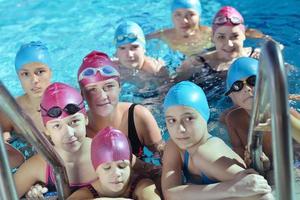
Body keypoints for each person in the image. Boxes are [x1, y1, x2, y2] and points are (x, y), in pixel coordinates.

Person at [162, 81, 273, 200]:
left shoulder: (206, 153)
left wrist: (233, 189)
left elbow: (258, 190)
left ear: (204, 116)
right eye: (172, 120)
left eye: (189, 118)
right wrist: (230, 188)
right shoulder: (174, 145)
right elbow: (169, 192)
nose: (180, 129)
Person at [77, 50, 164, 189]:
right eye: (92, 89)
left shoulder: (138, 116)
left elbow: (163, 162)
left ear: (120, 87)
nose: (102, 96)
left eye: (109, 86)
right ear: (82, 94)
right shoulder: (79, 131)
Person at [13, 82, 98, 198]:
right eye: (57, 126)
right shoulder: (39, 166)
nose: (69, 133)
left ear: (86, 119)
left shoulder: (107, 152)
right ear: (46, 129)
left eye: (74, 122)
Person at [176, 6, 260, 87]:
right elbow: (171, 88)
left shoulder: (258, 56)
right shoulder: (195, 64)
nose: (229, 44)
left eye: (235, 36)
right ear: (213, 38)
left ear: (244, 35)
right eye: (221, 37)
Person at [68, 127, 161, 200]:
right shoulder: (85, 194)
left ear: (131, 167)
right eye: (107, 168)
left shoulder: (143, 185)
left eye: (122, 166)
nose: (116, 173)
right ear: (96, 170)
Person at [147, 0, 265, 57]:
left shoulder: (210, 32)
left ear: (199, 15)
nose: (184, 21)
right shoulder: (162, 35)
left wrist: (265, 39)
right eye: (178, 14)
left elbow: (245, 31)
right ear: (171, 16)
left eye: (191, 14)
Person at [0, 41, 53, 168]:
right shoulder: (13, 109)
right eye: (25, 74)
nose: (34, 80)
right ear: (19, 77)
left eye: (40, 72)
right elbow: (4, 130)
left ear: (50, 72)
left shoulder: (67, 103)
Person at [221, 57, 272, 163]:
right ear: (232, 96)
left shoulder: (286, 115)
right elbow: (239, 154)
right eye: (237, 86)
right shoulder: (233, 120)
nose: (247, 89)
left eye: (253, 81)